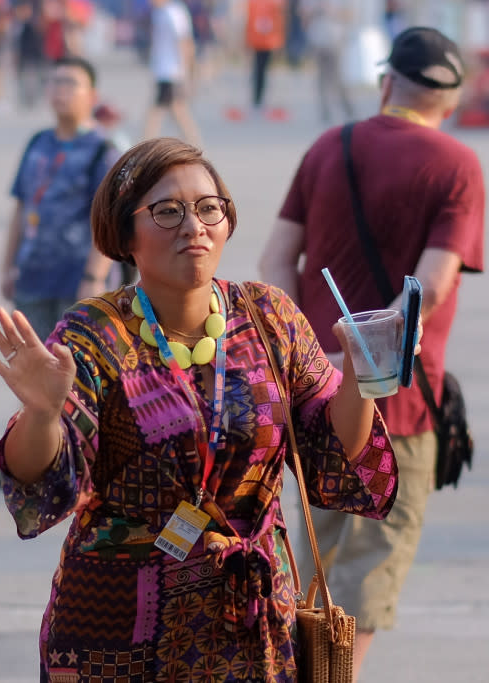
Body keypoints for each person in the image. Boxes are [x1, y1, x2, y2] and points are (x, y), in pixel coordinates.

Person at [0, 136, 400, 681]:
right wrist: (39, 414)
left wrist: (364, 382)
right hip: (119, 630)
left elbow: (333, 456)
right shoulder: (93, 333)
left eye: (208, 208)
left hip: (254, 619)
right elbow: (45, 478)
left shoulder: (269, 317)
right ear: (125, 233)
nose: (193, 225)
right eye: (167, 211)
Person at [259, 26, 484, 678]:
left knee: (318, 570)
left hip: (315, 401)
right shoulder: (457, 165)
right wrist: (377, 350)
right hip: (400, 405)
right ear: (450, 96)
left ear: (387, 82)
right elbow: (432, 284)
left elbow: (277, 257)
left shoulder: (331, 145)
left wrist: (305, 357)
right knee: (363, 585)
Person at [1, 56, 119, 341]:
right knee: (36, 371)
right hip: (32, 280)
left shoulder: (103, 150)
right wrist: (8, 267)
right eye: (55, 82)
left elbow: (110, 221)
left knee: (80, 374)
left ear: (93, 96)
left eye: (70, 83)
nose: (60, 90)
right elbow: (21, 207)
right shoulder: (37, 143)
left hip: (77, 282)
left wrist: (95, 279)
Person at [141, 0, 202, 144]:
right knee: (176, 109)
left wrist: (185, 71)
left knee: (159, 110)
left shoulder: (174, 12)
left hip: (172, 70)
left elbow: (184, 41)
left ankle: (144, 144)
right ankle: (194, 143)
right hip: (162, 69)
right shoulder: (158, 13)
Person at [299, 0, 354, 123]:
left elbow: (350, 15)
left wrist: (332, 11)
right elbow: (303, 18)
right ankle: (325, 111)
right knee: (321, 78)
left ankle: (347, 108)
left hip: (335, 40)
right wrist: (312, 13)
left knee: (338, 77)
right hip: (317, 41)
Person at [245, 0, 286, 115]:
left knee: (263, 72)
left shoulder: (275, 3)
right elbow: (249, 20)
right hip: (257, 41)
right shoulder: (253, 3)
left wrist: (279, 42)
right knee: (257, 72)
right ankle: (256, 100)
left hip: (269, 41)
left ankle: (260, 100)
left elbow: (279, 21)